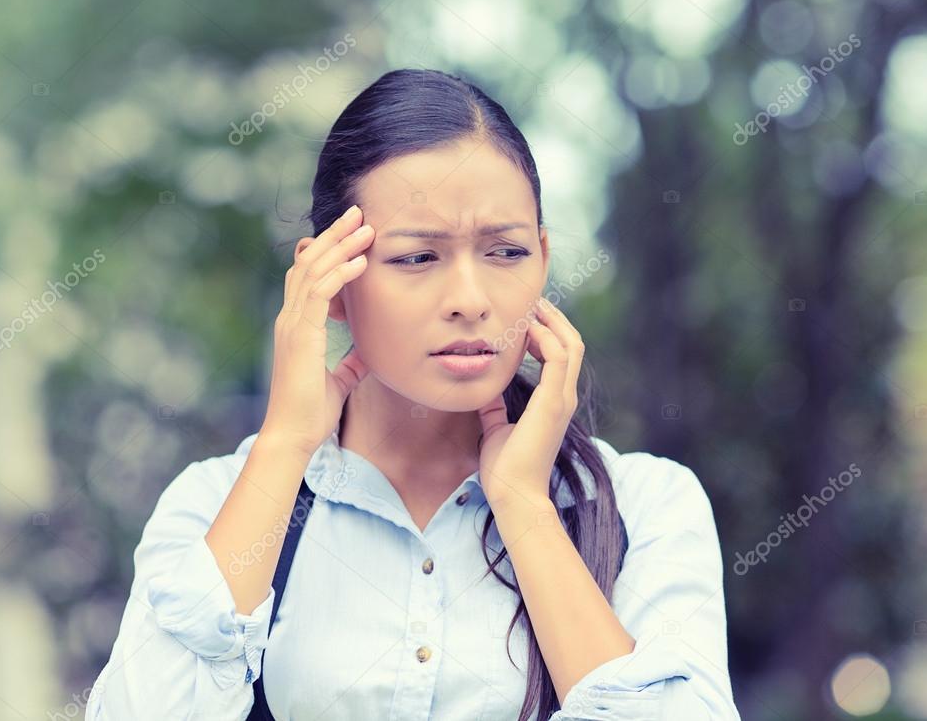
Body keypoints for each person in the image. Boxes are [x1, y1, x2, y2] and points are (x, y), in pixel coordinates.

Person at [86, 68, 740, 721]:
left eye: (506, 252)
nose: (470, 300)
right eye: (417, 258)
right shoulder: (215, 504)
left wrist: (523, 506)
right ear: (331, 280)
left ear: (543, 260)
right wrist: (284, 446)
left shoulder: (643, 506)